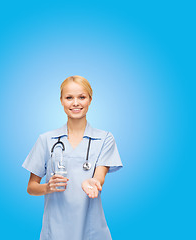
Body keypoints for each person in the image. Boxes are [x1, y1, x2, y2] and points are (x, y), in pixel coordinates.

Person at [22, 75, 123, 240]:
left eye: (81, 97)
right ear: (61, 100)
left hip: (92, 230)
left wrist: (93, 182)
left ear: (90, 99)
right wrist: (47, 187)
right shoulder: (46, 140)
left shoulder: (105, 138)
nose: (75, 103)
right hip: (55, 231)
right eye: (69, 97)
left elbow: (99, 176)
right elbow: (31, 187)